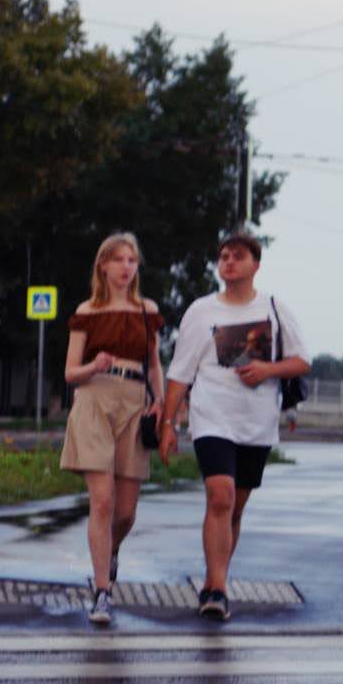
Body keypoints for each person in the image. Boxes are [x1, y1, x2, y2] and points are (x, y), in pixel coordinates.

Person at [160, 233, 310, 621]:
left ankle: (219, 575)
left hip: (256, 424)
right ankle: (216, 588)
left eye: (237, 256)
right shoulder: (201, 311)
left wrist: (267, 369)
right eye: (223, 256)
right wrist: (168, 423)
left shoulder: (274, 308)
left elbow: (301, 361)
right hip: (212, 417)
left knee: (235, 508)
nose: (228, 262)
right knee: (220, 496)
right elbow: (180, 372)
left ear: (255, 265)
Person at [61, 232, 164, 625]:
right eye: (119, 259)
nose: (126, 267)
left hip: (135, 402)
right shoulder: (86, 311)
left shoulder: (145, 310)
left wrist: (161, 402)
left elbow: (154, 362)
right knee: (102, 502)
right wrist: (95, 364)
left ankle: (111, 549)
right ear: (103, 265)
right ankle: (102, 591)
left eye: (132, 260)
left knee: (126, 511)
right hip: (94, 400)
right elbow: (71, 372)